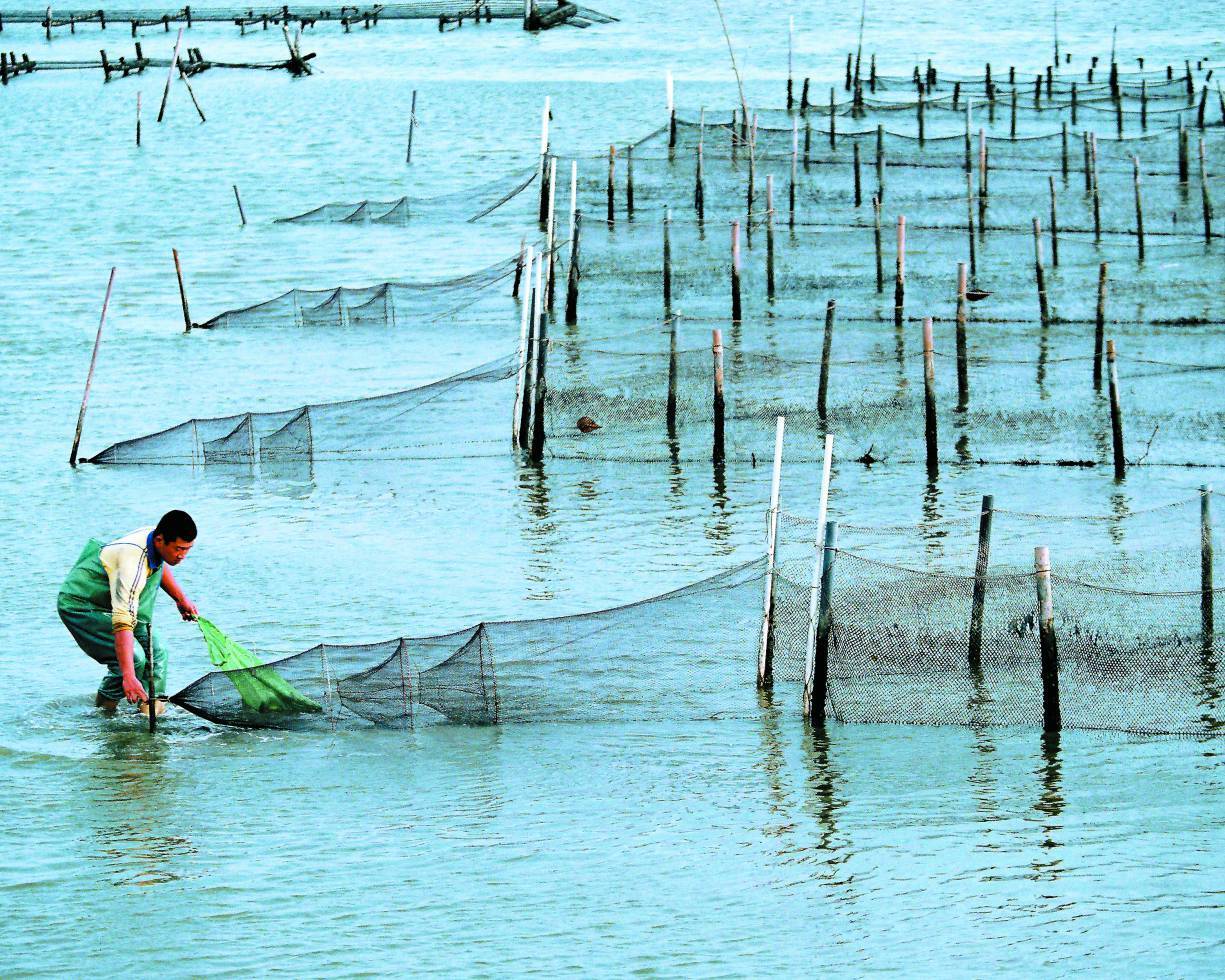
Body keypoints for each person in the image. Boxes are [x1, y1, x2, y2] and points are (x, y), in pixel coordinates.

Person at [58, 511, 200, 714]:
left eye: (187, 549)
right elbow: (122, 622)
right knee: (132, 659)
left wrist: (180, 599)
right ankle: (104, 714)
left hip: (115, 598)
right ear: (160, 540)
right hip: (82, 603)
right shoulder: (131, 564)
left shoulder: (156, 540)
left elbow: (158, 562)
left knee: (157, 654)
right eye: (179, 549)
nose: (182, 556)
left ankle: (150, 714)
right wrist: (129, 676)